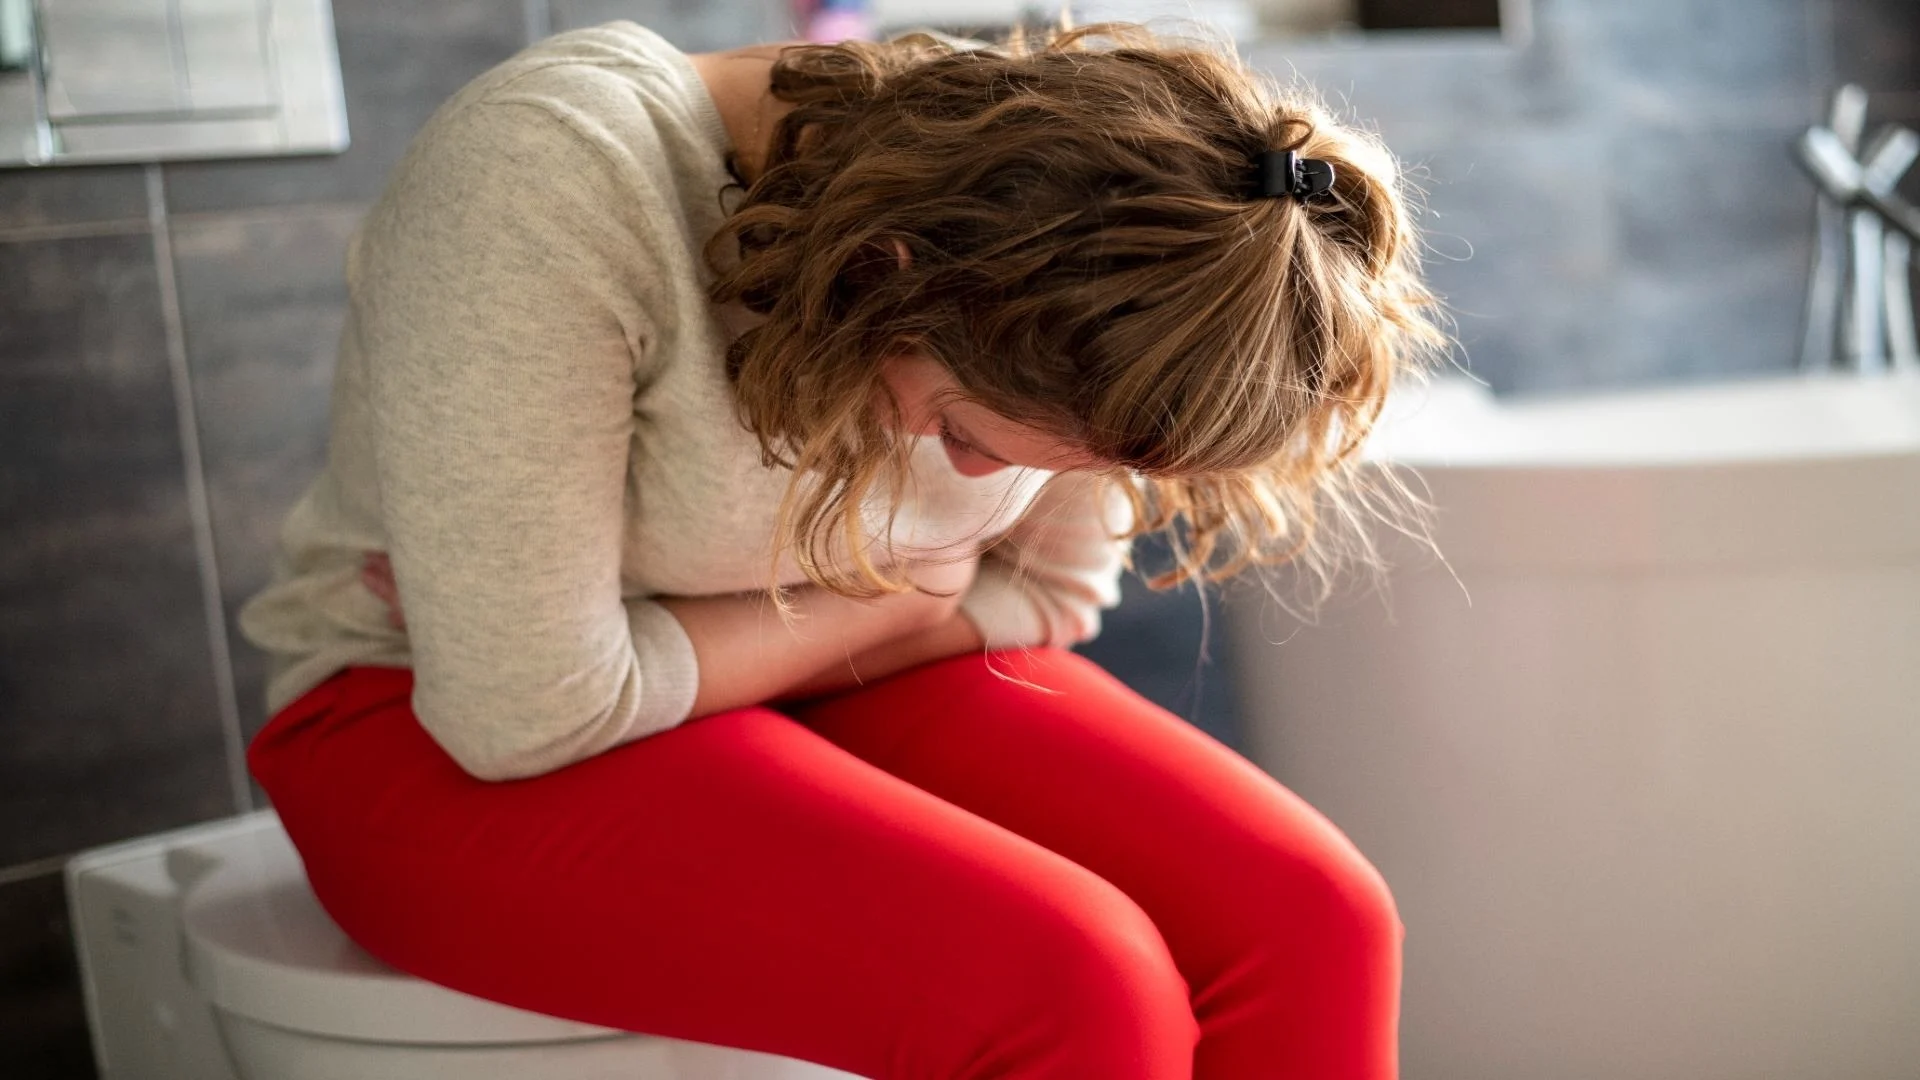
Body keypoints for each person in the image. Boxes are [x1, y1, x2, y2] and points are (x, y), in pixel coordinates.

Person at [239, 17, 1443, 1080]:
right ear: (887, 275)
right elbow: (521, 711)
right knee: (1069, 983)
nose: (981, 478)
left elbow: (1060, 592)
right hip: (418, 718)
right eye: (967, 435)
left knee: (1316, 922)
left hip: (766, 686)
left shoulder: (1099, 263)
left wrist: (729, 641)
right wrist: (901, 603)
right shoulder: (555, 176)